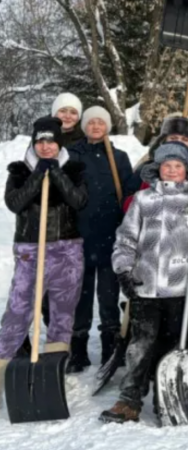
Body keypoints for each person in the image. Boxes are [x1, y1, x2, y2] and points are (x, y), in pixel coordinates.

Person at [100, 142, 188, 423]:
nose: (171, 170)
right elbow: (126, 237)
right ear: (157, 170)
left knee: (174, 346)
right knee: (140, 346)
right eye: (166, 166)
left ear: (186, 170)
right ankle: (129, 399)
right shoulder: (143, 200)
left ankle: (167, 397)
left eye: (177, 166)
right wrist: (123, 269)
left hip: (182, 288)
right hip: (147, 284)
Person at [0, 117, 87, 406]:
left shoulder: (74, 169)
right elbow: (15, 203)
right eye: (40, 141)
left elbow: (78, 201)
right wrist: (39, 173)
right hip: (30, 248)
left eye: (51, 141)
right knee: (19, 309)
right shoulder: (19, 170)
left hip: (66, 249)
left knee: (63, 313)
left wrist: (57, 174)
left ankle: (53, 370)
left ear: (59, 143)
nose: (46, 146)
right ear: (34, 142)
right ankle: (2, 371)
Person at [64, 106, 133, 373]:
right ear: (84, 126)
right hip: (77, 235)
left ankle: (109, 347)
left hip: (109, 235)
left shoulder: (119, 157)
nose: (95, 126)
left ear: (107, 127)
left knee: (108, 294)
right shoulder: (71, 155)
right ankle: (78, 349)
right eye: (91, 122)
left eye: (100, 123)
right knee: (79, 295)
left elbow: (128, 196)